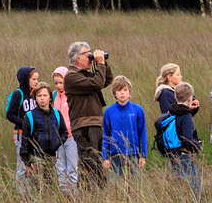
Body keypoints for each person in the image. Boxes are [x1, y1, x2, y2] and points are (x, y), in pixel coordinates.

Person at [60, 43, 113, 189]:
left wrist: (102, 64)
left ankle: (99, 200)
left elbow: (106, 80)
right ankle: (86, 199)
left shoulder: (85, 74)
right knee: (89, 166)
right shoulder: (71, 77)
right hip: (84, 127)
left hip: (94, 124)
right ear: (78, 59)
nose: (90, 57)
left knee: (98, 166)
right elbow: (96, 83)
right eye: (87, 55)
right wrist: (100, 64)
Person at [19, 86, 68, 193]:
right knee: (36, 187)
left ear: (50, 98)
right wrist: (27, 161)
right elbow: (25, 140)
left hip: (52, 157)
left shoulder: (57, 114)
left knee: (48, 187)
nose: (42, 98)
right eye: (39, 96)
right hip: (36, 157)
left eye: (45, 95)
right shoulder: (30, 116)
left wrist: (58, 143)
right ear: (35, 98)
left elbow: (64, 132)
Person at [101, 76, 149, 180]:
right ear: (114, 93)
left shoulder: (137, 110)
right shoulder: (109, 112)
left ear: (129, 92)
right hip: (115, 155)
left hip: (133, 154)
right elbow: (106, 135)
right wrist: (105, 157)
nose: (122, 93)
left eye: (125, 90)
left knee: (134, 183)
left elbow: (142, 133)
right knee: (115, 184)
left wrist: (143, 155)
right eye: (119, 90)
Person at [166, 81, 203, 198]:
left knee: (179, 182)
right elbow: (187, 138)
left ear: (175, 96)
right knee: (194, 184)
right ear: (190, 98)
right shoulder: (186, 115)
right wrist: (197, 146)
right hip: (185, 155)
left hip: (173, 152)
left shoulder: (171, 111)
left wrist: (192, 111)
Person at [51, 65, 80, 191]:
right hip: (57, 137)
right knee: (60, 167)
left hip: (71, 136)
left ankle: (74, 193)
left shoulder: (72, 95)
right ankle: (65, 193)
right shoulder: (53, 95)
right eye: (56, 83)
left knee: (72, 167)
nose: (58, 86)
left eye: (61, 82)